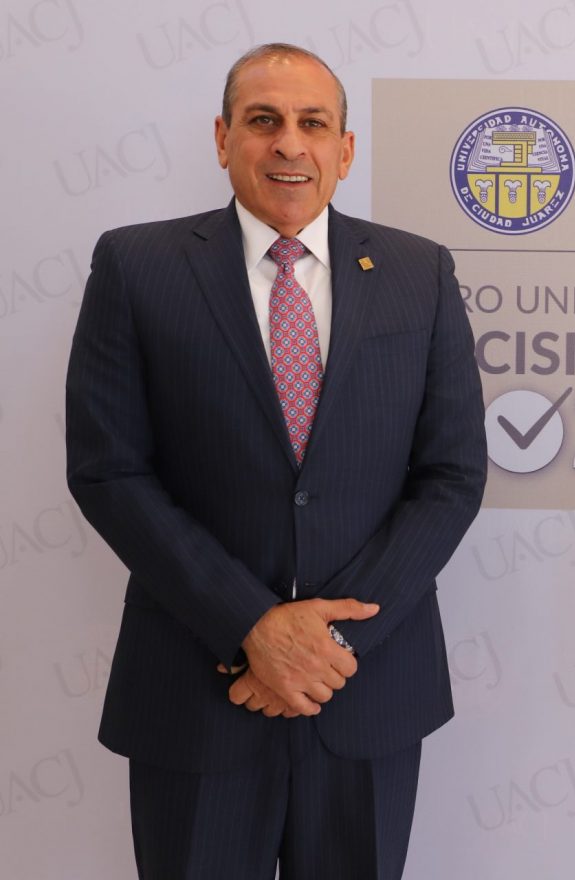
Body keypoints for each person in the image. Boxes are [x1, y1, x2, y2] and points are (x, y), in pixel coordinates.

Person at [65, 43, 486, 879]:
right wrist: (251, 628)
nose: (290, 143)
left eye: (312, 123)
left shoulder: (420, 273)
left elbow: (451, 475)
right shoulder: (136, 266)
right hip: (197, 692)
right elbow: (109, 470)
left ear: (345, 149)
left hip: (363, 691)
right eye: (264, 120)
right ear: (223, 138)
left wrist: (325, 642)